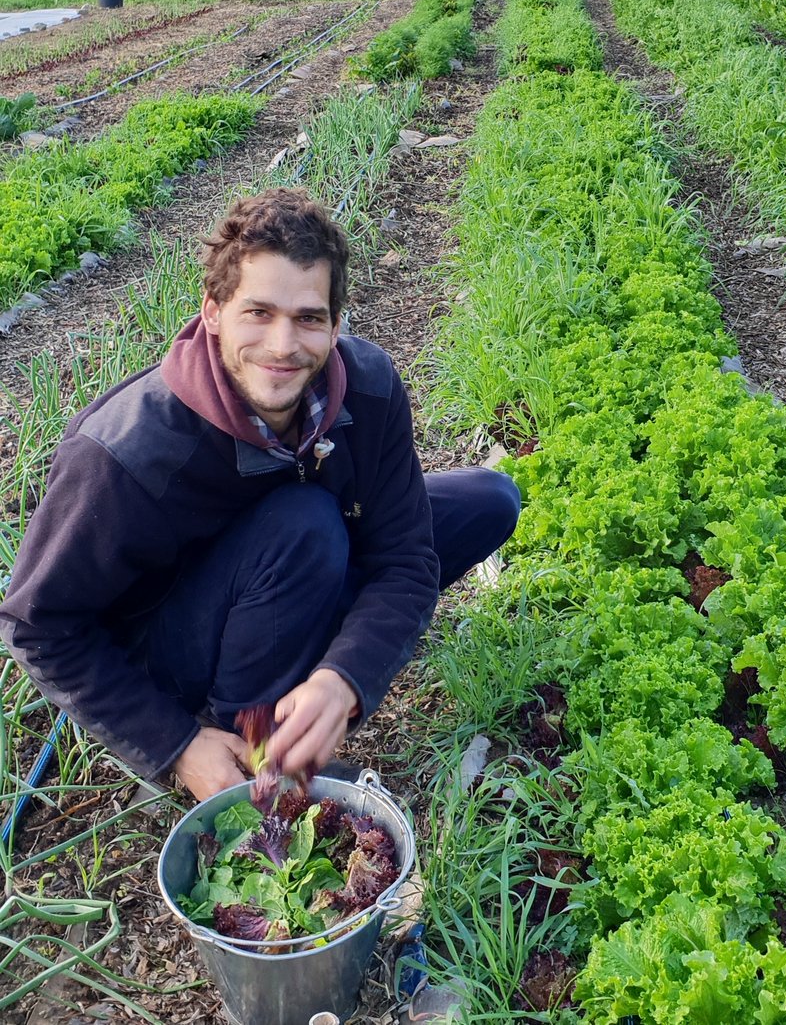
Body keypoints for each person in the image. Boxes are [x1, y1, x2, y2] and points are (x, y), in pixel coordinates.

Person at [0, 189, 521, 802]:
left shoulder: (370, 389)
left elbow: (406, 559)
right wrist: (176, 743)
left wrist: (345, 677)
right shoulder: (125, 452)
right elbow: (38, 624)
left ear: (335, 324)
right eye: (258, 312)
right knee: (306, 523)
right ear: (213, 312)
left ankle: (311, 665)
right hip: (171, 644)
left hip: (288, 565)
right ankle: (248, 747)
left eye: (308, 318)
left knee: (486, 501)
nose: (282, 345)